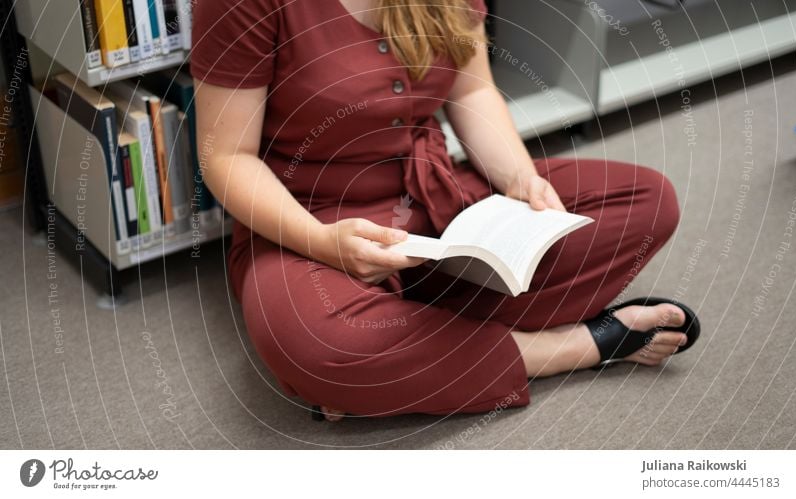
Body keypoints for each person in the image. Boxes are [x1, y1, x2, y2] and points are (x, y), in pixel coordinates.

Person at [191, 0, 692, 422]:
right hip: (306, 224)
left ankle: (399, 358)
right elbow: (226, 156)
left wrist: (520, 179)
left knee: (647, 202)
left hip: (435, 195)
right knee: (320, 347)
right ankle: (578, 347)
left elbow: (471, 91)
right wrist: (323, 243)